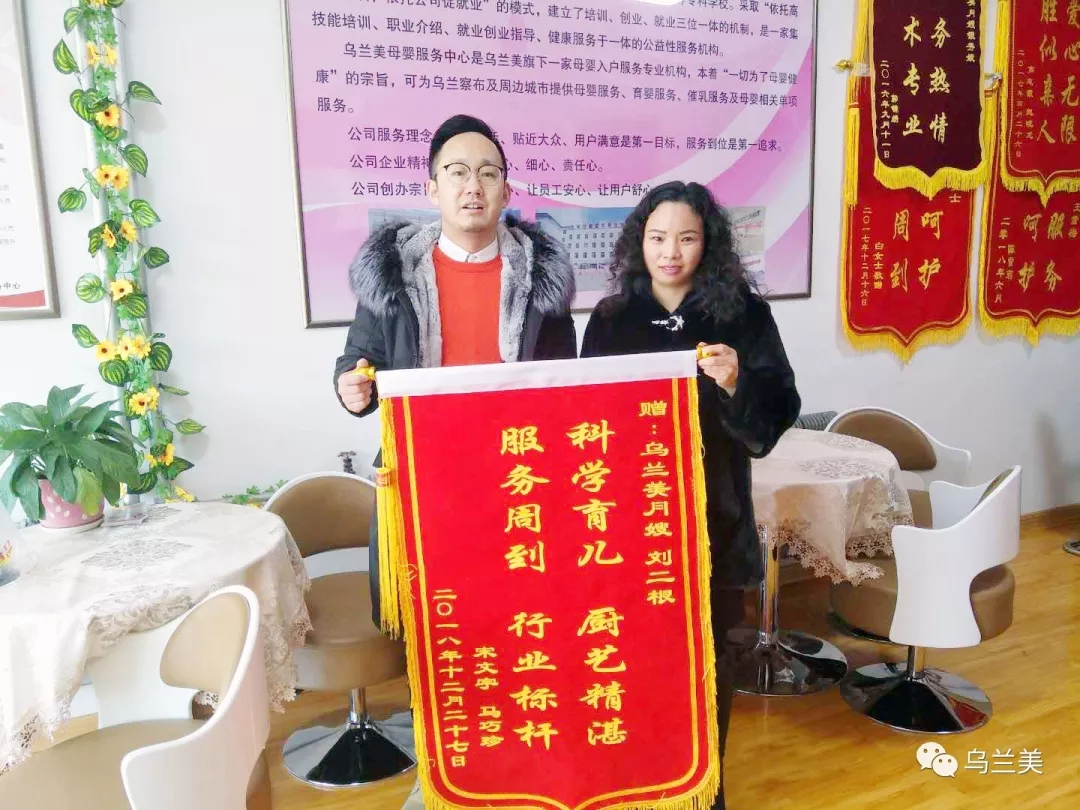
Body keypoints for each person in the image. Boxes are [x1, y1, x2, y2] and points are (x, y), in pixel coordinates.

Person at [579, 181, 800, 810]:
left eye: (686, 238)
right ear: (638, 243)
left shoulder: (742, 316)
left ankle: (704, 788)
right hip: (627, 528)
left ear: (709, 244)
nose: (670, 252)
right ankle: (638, 785)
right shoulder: (611, 320)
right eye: (657, 238)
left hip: (713, 524)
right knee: (632, 661)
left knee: (709, 663)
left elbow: (778, 412)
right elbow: (584, 419)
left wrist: (735, 384)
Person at [334, 114, 578, 629]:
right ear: (433, 189)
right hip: (422, 477)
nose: (473, 186)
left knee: (516, 616)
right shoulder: (392, 276)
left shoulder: (542, 282)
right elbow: (358, 359)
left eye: (488, 173)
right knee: (431, 625)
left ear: (506, 191)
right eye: (458, 172)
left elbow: (563, 383)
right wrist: (352, 386)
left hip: (518, 475)